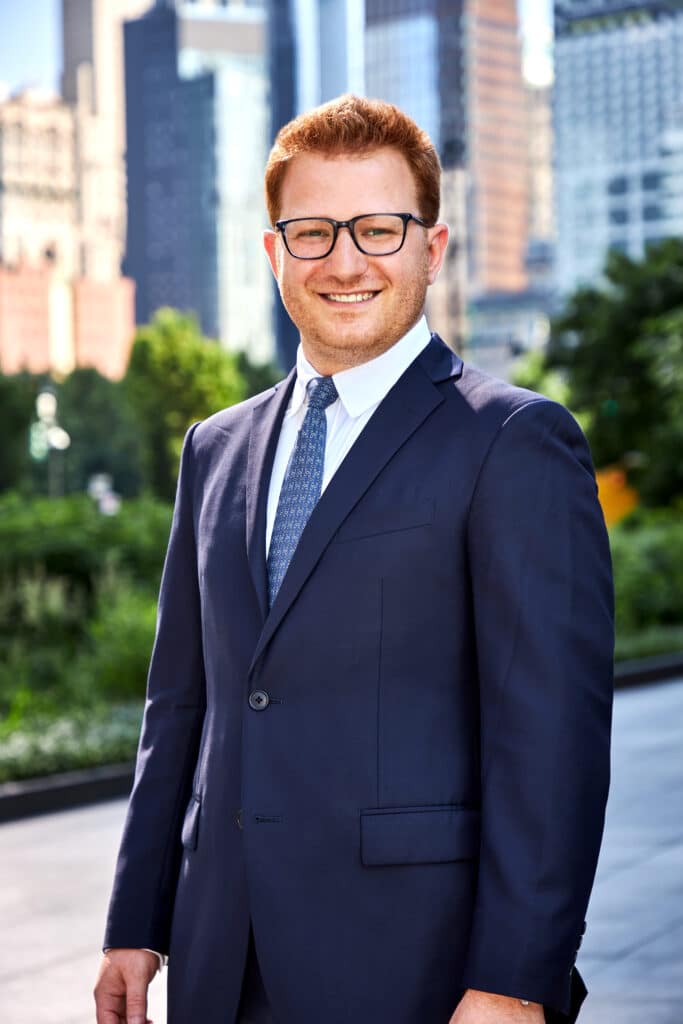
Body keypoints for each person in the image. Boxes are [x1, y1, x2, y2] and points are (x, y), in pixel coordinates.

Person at [95, 95, 614, 1024]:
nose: (344, 262)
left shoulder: (513, 440)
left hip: (415, 964)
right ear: (273, 252)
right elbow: (179, 705)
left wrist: (512, 980)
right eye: (312, 232)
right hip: (219, 956)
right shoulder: (214, 447)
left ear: (432, 247)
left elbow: (549, 739)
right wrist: (136, 923)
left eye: (378, 229)